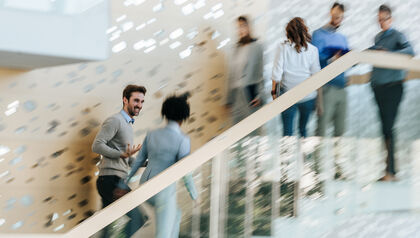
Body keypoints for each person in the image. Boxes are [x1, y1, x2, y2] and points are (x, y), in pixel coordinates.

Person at [119, 93, 198, 238]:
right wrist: (194, 194)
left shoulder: (152, 134)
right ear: (183, 117)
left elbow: (138, 161)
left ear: (165, 114)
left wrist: (124, 182)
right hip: (163, 191)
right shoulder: (183, 140)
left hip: (145, 186)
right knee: (164, 234)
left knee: (176, 215)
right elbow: (185, 172)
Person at [92, 84, 147, 238]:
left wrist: (146, 162)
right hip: (110, 180)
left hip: (116, 179)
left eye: (142, 102)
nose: (139, 105)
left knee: (107, 228)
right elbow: (96, 146)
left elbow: (126, 157)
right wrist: (121, 154)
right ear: (125, 100)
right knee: (138, 218)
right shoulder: (115, 120)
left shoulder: (128, 125)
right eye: (136, 100)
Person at [370, 4, 414, 181]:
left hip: (393, 87)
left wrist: (389, 53)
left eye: (384, 19)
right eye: (379, 20)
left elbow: (410, 51)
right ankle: (388, 170)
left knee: (388, 127)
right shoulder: (378, 37)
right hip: (378, 87)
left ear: (391, 19)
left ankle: (391, 171)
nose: (382, 23)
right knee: (384, 128)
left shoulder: (398, 36)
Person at [271, 17, 321, 137]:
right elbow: (316, 75)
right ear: (304, 31)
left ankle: (287, 156)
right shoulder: (313, 50)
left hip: (288, 96)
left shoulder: (282, 47)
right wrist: (318, 99)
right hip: (308, 96)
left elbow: (276, 73)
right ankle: (304, 156)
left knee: (287, 134)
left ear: (288, 32)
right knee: (303, 131)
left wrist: (274, 94)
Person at [312, 2, 350, 137]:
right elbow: (314, 59)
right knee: (321, 130)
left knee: (340, 132)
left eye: (340, 17)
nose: (337, 19)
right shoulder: (318, 34)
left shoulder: (343, 38)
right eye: (335, 15)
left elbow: (347, 61)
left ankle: (339, 159)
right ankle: (316, 159)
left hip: (342, 87)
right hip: (326, 88)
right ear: (331, 13)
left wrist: (351, 59)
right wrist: (331, 57)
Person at [226, 16, 264, 124]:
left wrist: (260, 95)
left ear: (249, 27)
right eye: (238, 27)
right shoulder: (235, 49)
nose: (240, 30)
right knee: (236, 131)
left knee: (252, 128)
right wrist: (228, 100)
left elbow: (261, 72)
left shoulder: (257, 47)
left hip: (250, 93)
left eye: (243, 26)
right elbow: (231, 75)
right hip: (236, 96)